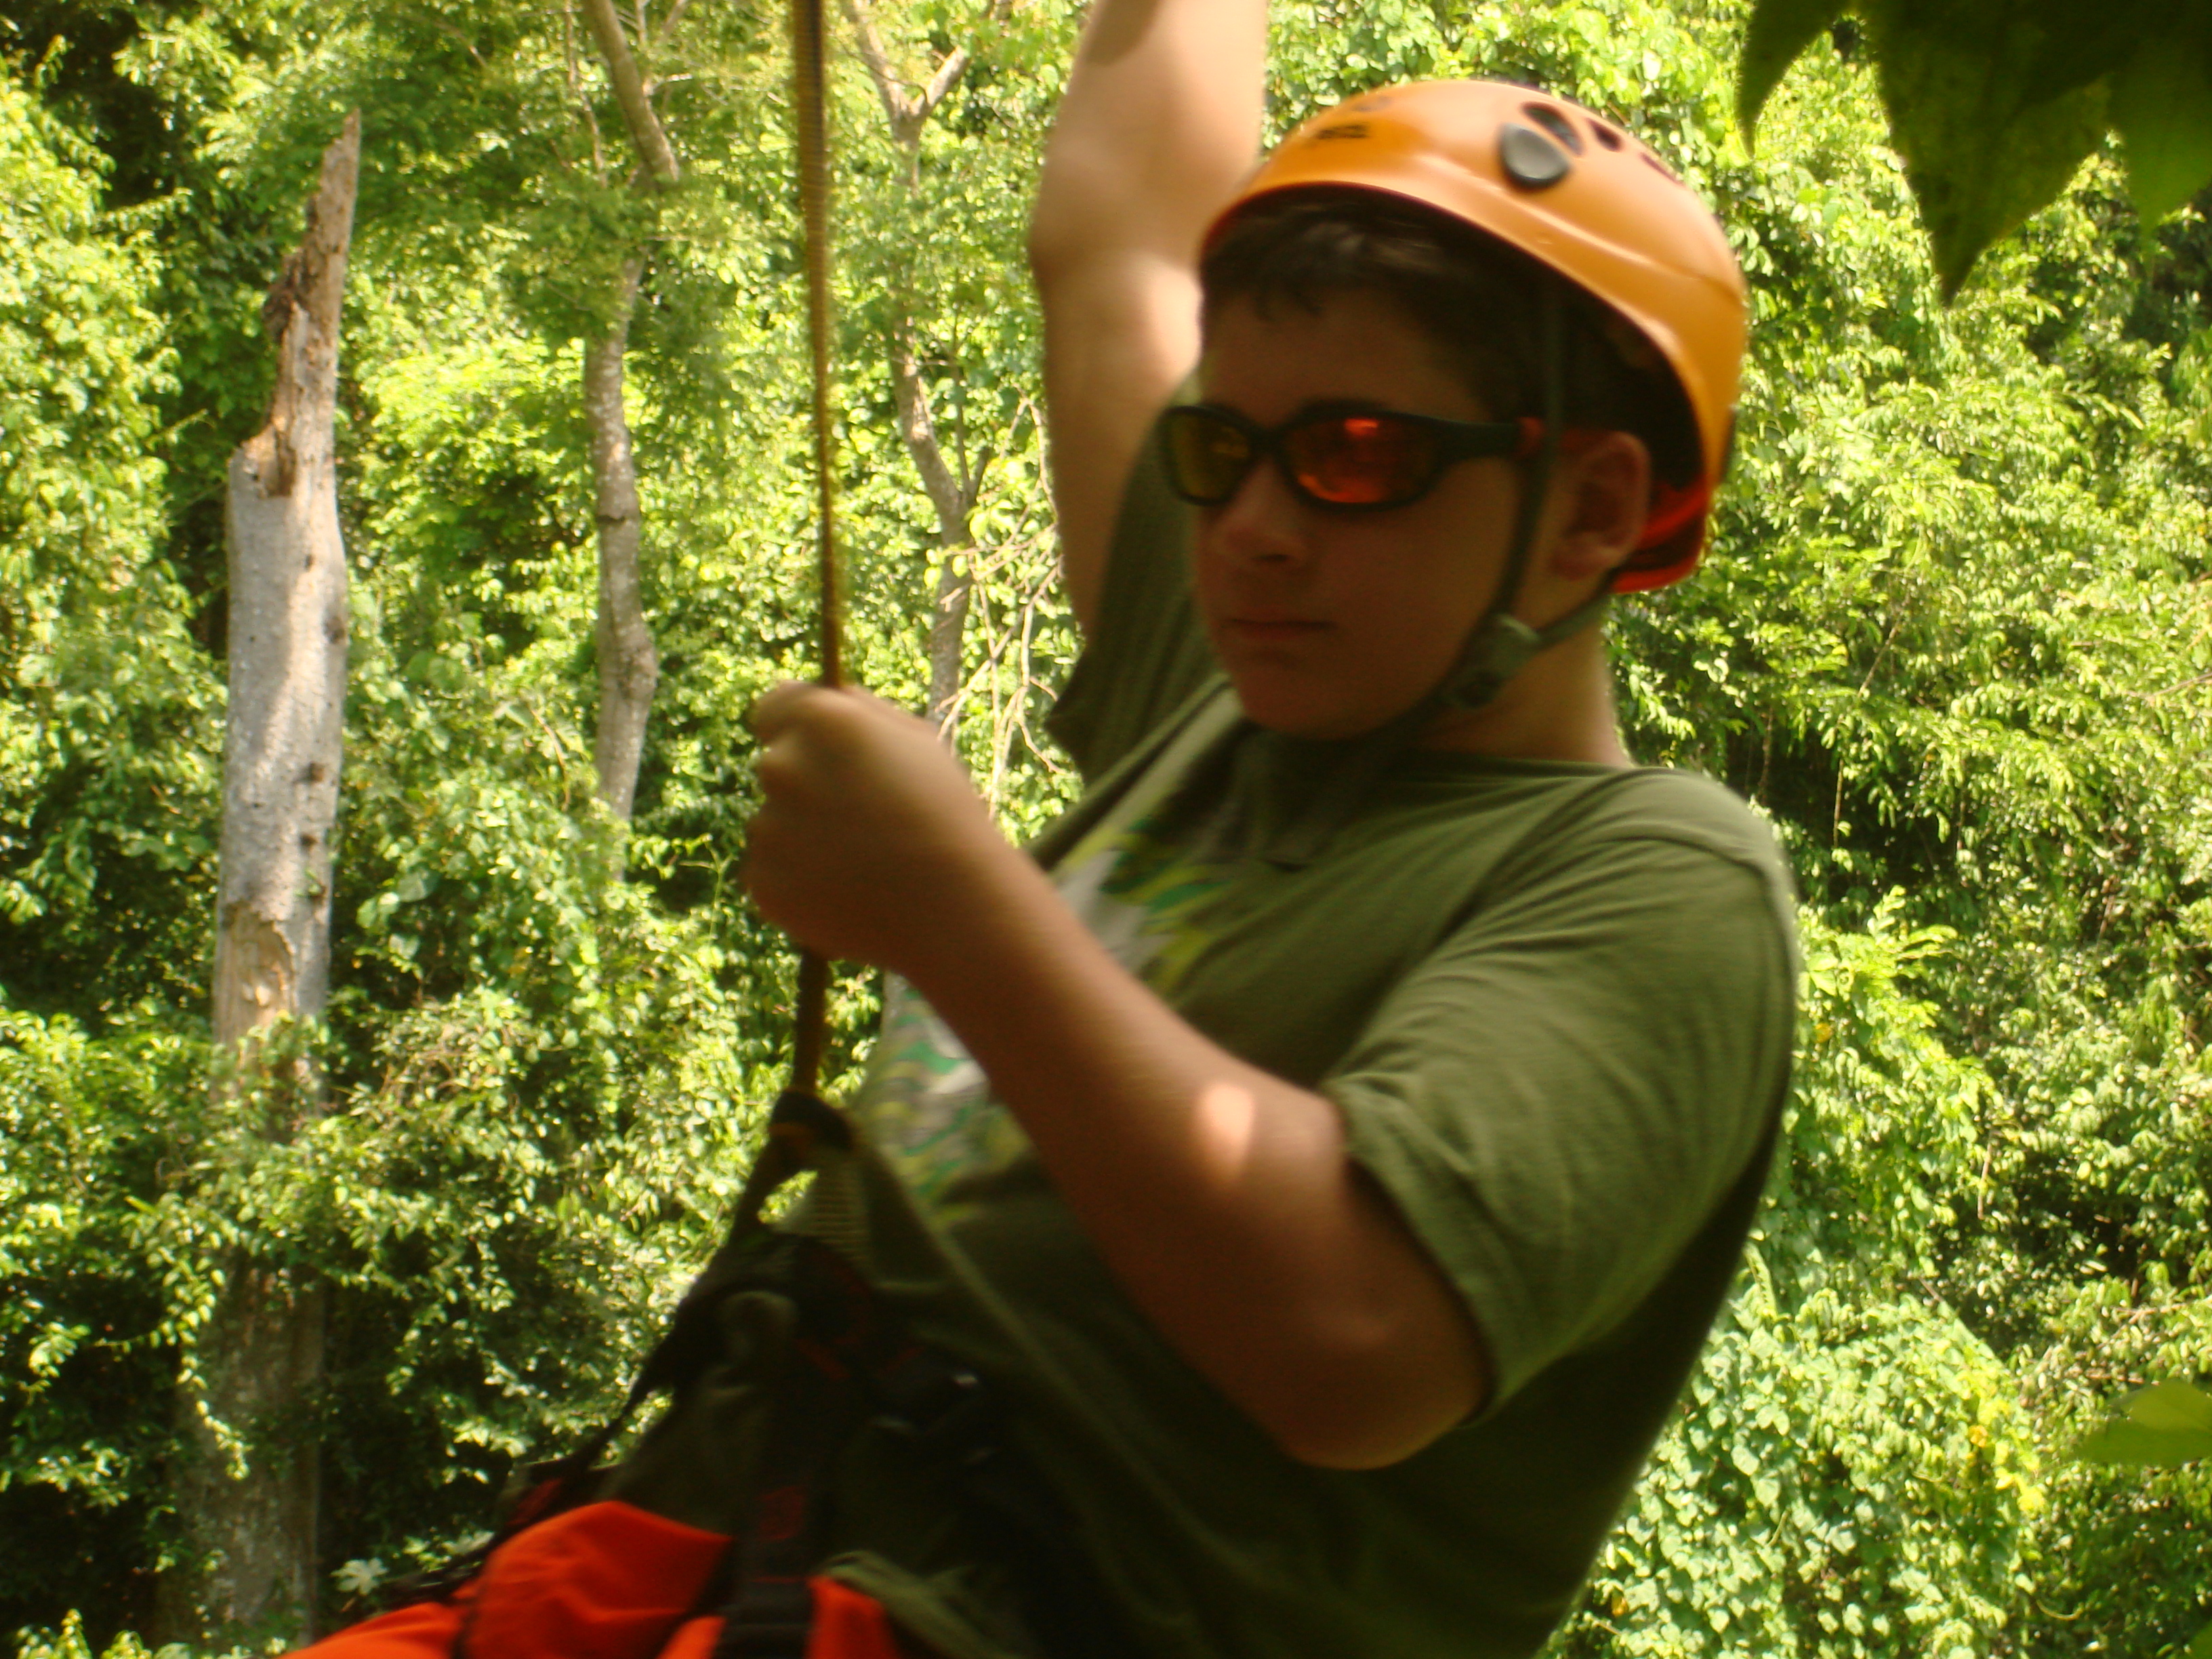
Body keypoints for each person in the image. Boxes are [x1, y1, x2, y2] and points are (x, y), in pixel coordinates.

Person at [298, 1, 1795, 1655]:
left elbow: (1356, 1337)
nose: (1251, 527)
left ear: (1591, 507)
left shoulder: (1663, 882)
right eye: (1221, 446)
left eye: (1355, 455)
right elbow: (1120, 240)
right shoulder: (1228, 684)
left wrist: (951, 905)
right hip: (683, 1557)